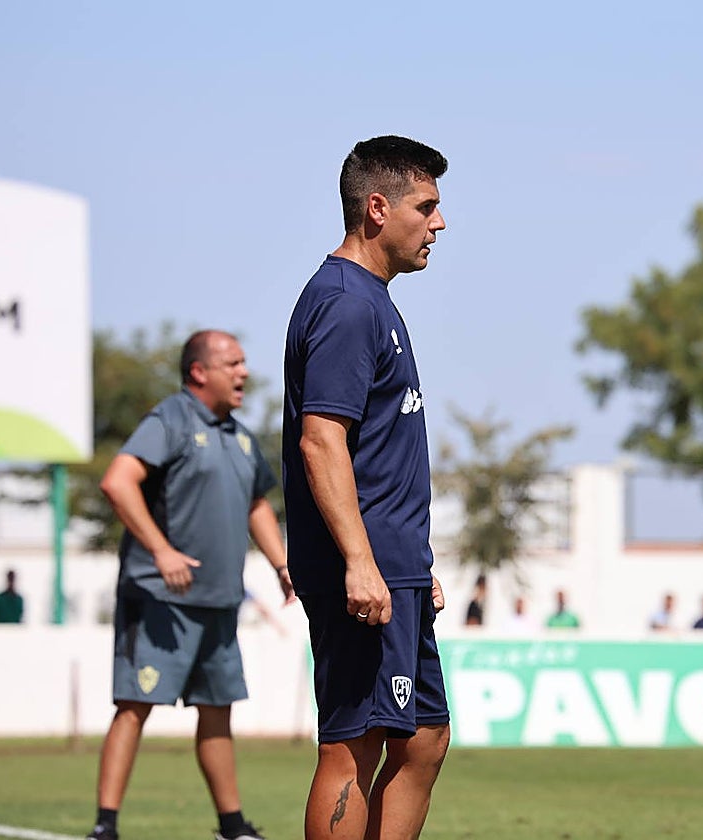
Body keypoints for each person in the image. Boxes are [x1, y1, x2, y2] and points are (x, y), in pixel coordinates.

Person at [282, 135, 451, 840]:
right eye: (427, 206)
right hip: (365, 568)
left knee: (423, 738)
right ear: (377, 207)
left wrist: (415, 565)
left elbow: (379, 451)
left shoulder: (374, 301)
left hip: (396, 565)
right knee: (353, 743)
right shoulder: (347, 304)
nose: (439, 223)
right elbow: (321, 440)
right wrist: (360, 560)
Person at [84, 329, 295, 840]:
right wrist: (160, 549)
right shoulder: (171, 419)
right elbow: (117, 480)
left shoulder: (241, 437)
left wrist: (282, 564)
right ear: (199, 372)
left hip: (219, 601)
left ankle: (231, 825)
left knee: (217, 711)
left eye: (244, 363)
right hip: (161, 597)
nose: (244, 372)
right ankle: (105, 827)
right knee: (135, 705)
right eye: (233, 363)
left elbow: (255, 503)